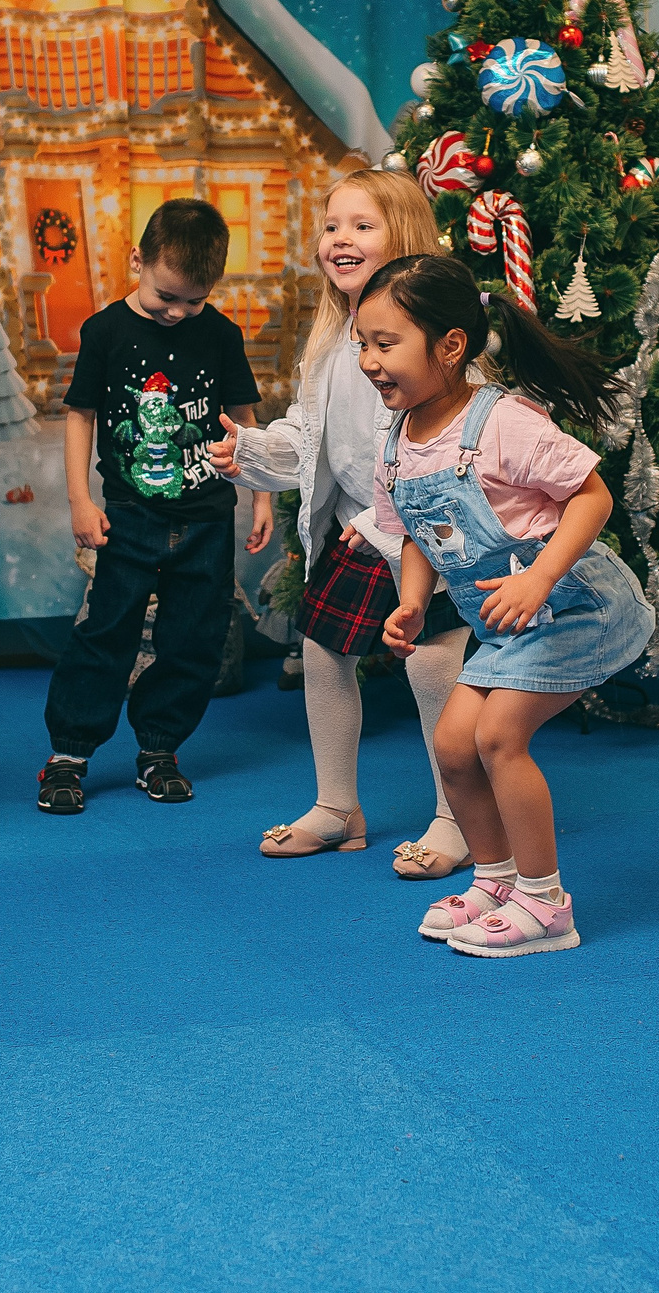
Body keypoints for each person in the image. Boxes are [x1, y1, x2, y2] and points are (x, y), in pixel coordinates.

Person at [361, 255, 655, 958]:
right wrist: (410, 601)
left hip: (574, 602)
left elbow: (593, 495)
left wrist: (539, 578)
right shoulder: (396, 445)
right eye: (362, 344)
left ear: (451, 345)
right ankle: (495, 879)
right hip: (506, 623)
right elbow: (412, 533)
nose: (371, 361)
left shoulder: (503, 423)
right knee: (454, 745)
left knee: (498, 737)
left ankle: (546, 902)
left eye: (386, 342)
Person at [205, 168, 473, 874]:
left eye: (361, 226)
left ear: (405, 238)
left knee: (433, 666)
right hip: (361, 523)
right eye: (331, 226)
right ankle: (337, 807)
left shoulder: (436, 340)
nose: (340, 239)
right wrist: (252, 450)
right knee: (325, 649)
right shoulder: (331, 339)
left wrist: (391, 525)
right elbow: (312, 434)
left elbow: (443, 451)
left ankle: (458, 816)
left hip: (432, 531)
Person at [38, 199, 271, 814]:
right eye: (167, 295)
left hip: (207, 519)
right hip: (129, 516)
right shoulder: (105, 331)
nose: (178, 312)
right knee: (105, 632)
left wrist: (263, 489)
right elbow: (80, 416)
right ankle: (68, 755)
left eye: (193, 301)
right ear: (137, 260)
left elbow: (243, 418)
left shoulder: (220, 334)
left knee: (193, 638)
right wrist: (79, 501)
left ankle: (160, 749)